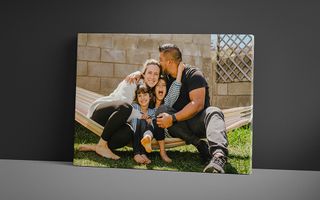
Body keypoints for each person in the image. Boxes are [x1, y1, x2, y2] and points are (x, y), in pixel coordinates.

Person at [127, 44, 228, 173]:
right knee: (162, 110)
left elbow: (197, 104)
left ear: (169, 62)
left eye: (161, 60)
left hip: (197, 123)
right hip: (177, 127)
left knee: (214, 111)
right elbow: (150, 78)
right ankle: (200, 145)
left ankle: (218, 157)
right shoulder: (166, 78)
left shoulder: (193, 74)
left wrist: (173, 118)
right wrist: (138, 74)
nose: (159, 62)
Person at [78, 59, 161, 162]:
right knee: (126, 107)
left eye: (156, 74)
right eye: (149, 72)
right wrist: (141, 116)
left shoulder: (152, 91)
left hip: (116, 122)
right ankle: (101, 146)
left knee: (127, 134)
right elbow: (123, 105)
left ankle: (97, 147)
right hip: (100, 112)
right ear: (143, 74)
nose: (152, 77)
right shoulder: (133, 81)